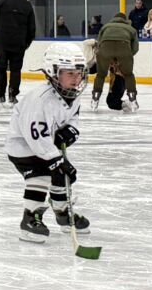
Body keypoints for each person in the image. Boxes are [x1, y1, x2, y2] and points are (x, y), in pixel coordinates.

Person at [7, 43, 91, 243]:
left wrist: (71, 130)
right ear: (54, 72)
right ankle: (30, 218)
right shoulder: (40, 99)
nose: (76, 78)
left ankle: (63, 215)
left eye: (78, 73)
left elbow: (72, 117)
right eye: (69, 73)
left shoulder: (72, 93)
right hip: (23, 147)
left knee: (61, 176)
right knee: (42, 176)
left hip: (47, 146)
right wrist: (56, 160)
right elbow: (36, 137)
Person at [0, 0, 36, 106]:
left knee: (0, 68)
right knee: (15, 69)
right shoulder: (27, 5)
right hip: (18, 43)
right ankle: (12, 94)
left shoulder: (2, 3)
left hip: (2, 43)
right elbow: (32, 29)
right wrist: (26, 43)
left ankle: (0, 95)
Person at [90, 11, 139, 111]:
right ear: (125, 20)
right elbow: (135, 48)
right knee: (128, 75)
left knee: (100, 75)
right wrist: (128, 55)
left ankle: (95, 99)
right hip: (124, 49)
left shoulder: (105, 27)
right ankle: (133, 100)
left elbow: (99, 43)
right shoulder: (131, 29)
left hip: (105, 49)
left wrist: (104, 54)